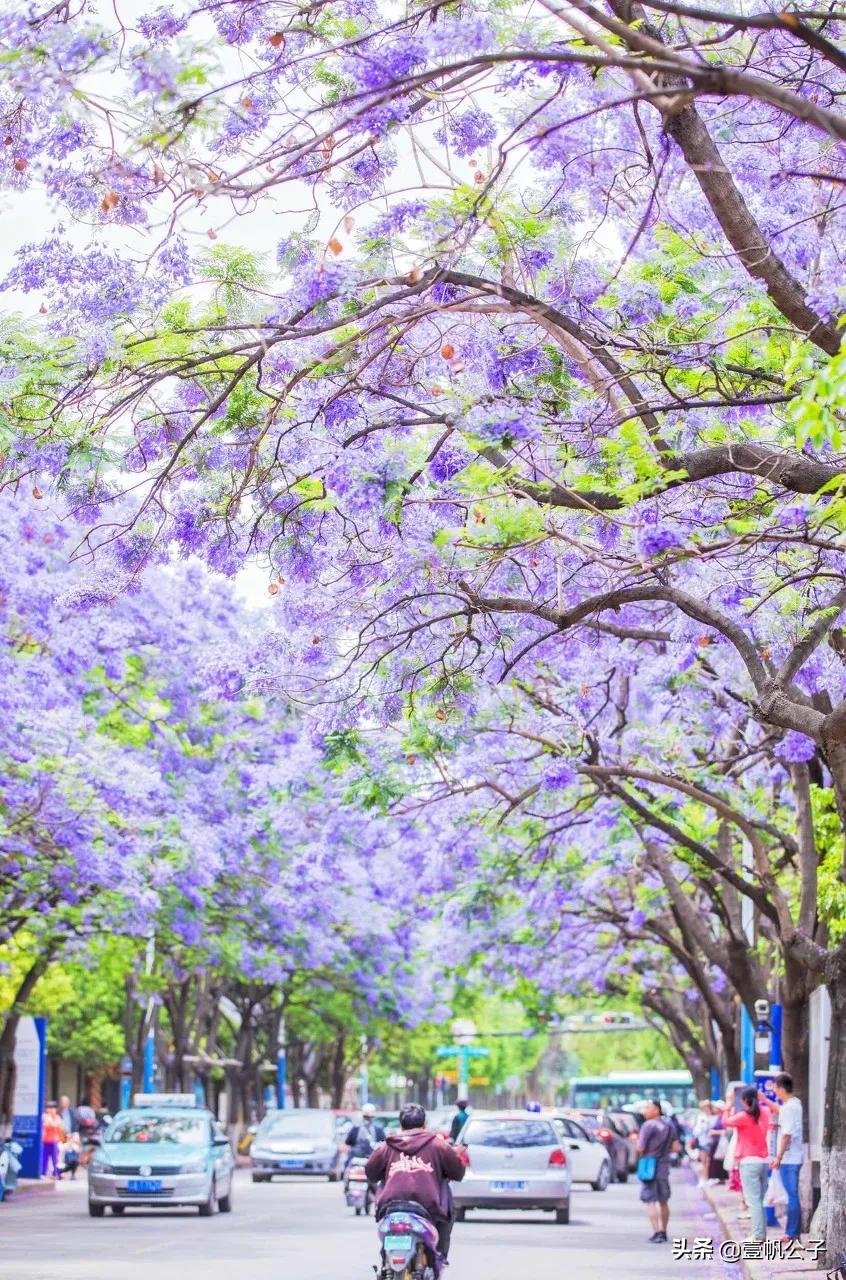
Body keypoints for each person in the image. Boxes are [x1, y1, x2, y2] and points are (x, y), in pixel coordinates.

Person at [366, 1102, 466, 1261]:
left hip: (390, 1207)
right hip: (430, 1208)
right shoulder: (439, 1146)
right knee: (446, 1221)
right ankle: (439, 1258)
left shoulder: (386, 1146)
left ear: (400, 1124)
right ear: (425, 1124)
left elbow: (371, 1173)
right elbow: (458, 1173)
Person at [725, 1086, 771, 1242]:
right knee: (760, 1200)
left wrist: (729, 1104)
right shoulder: (765, 1113)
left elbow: (726, 1121)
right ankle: (761, 1233)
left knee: (754, 1201)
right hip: (764, 1161)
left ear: (744, 1101)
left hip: (749, 1162)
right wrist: (764, 1100)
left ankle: (758, 1235)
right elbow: (774, 1111)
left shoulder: (743, 1116)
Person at [770, 1071, 803, 1243]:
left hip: (789, 1158)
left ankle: (791, 1233)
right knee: (793, 1195)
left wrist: (778, 1157)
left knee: (792, 1195)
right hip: (793, 1156)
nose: (775, 1091)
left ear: (782, 1088)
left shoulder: (789, 1108)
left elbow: (786, 1134)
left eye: (775, 1088)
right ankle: (794, 1231)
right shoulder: (795, 1104)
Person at [637, 1098, 676, 1244]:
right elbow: (676, 1147)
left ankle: (656, 1231)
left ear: (656, 1110)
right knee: (664, 1201)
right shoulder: (669, 1125)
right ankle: (664, 1231)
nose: (645, 1111)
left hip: (649, 1166)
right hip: (664, 1166)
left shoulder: (648, 1126)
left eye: (648, 1107)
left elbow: (640, 1148)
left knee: (650, 1200)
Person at [41, 1101, 65, 1178]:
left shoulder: (58, 1117)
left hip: (54, 1141)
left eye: (53, 1108)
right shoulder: (45, 1116)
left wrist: (53, 1125)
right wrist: (52, 1124)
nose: (51, 1110)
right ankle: (43, 1173)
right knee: (45, 1159)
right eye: (49, 1108)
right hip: (45, 1141)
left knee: (56, 1159)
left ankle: (56, 1173)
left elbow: (59, 1127)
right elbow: (49, 1125)